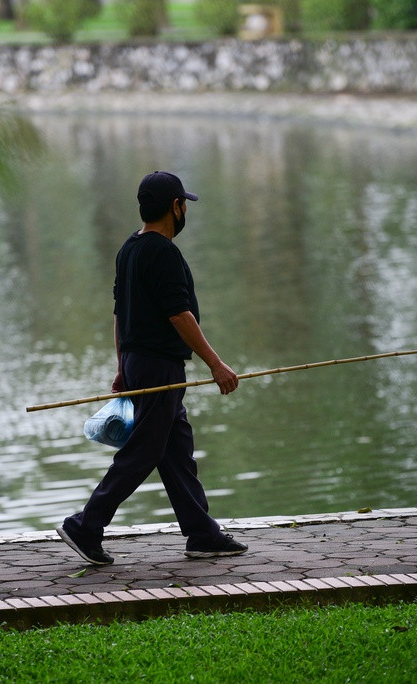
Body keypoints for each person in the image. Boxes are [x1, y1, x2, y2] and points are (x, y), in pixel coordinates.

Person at [57, 171, 248, 565]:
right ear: (176, 207)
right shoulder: (162, 252)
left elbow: (119, 315)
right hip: (159, 366)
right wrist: (216, 365)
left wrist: (123, 364)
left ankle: (202, 534)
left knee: (176, 449)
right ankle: (86, 525)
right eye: (184, 205)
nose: (184, 211)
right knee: (144, 450)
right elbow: (179, 315)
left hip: (139, 361)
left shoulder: (130, 249)